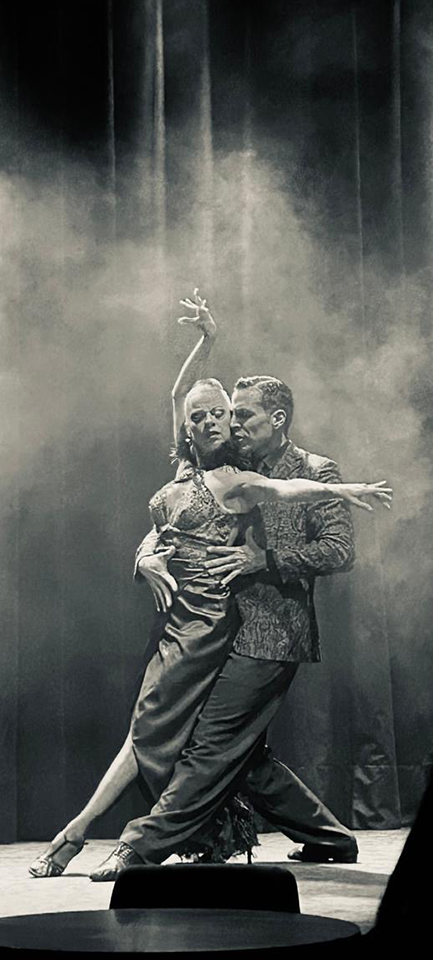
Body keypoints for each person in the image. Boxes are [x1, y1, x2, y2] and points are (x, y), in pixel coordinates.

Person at [29, 293, 391, 878]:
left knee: (208, 745)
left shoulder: (312, 469)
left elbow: (339, 551)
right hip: (213, 622)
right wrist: (145, 554)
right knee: (242, 756)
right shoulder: (219, 459)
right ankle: (331, 839)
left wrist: (264, 558)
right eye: (226, 415)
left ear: (276, 419)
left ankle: (139, 844)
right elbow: (174, 516)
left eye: (241, 415)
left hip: (272, 632)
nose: (231, 424)